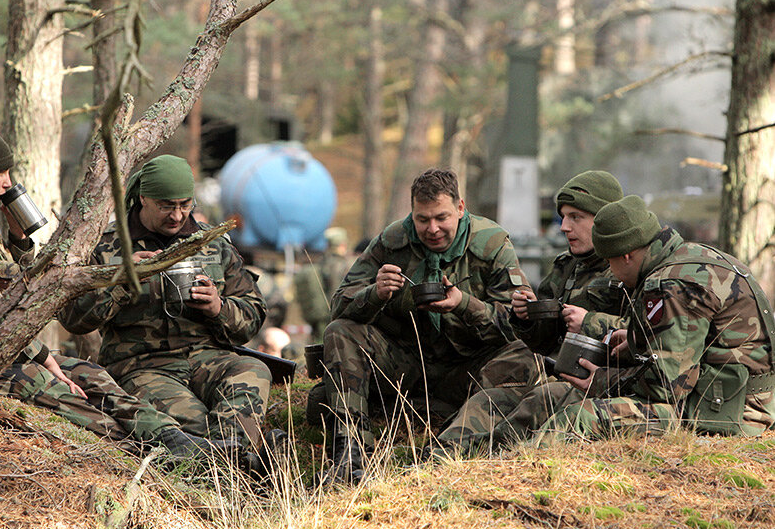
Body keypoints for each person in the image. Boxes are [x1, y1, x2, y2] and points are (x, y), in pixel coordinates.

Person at [0, 125, 225, 459]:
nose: (8, 183)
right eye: (0, 173)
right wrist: (41, 356)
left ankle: (171, 437)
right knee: (59, 391)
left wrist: (18, 240)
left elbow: (11, 283)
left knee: (91, 374)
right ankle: (148, 453)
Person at [434, 195, 775, 455]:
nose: (612, 273)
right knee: (552, 395)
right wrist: (638, 340)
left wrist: (602, 381)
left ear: (627, 254)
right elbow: (691, 344)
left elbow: (666, 389)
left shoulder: (670, 285)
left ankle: (519, 472)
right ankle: (472, 456)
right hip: (719, 395)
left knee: (579, 417)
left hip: (732, 411)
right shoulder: (691, 259)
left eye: (611, 262)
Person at [320, 168, 532, 482]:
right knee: (339, 332)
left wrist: (464, 304)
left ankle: (454, 445)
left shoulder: (491, 244)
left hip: (468, 369)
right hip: (405, 366)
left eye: (442, 218)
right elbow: (339, 306)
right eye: (422, 219)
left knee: (525, 355)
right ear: (412, 213)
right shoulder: (392, 241)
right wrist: (375, 293)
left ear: (461, 208)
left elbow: (516, 325)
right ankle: (350, 453)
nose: (432, 229)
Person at [58, 155, 273, 455]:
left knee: (253, 370)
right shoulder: (106, 246)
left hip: (207, 358)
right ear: (143, 198)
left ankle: (232, 457)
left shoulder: (211, 243)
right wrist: (122, 278)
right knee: (195, 424)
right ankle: (238, 460)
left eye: (185, 205)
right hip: (142, 365)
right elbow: (73, 318)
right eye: (166, 206)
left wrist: (218, 308)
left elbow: (253, 312)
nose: (177, 215)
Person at [509, 170, 626, 357]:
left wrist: (588, 322)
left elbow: (648, 334)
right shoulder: (567, 265)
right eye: (563, 217)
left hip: (605, 377)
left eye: (575, 217)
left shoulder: (629, 265)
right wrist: (528, 316)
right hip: (560, 371)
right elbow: (544, 343)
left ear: (605, 219)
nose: (564, 227)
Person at [294, 227, 354, 341]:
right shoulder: (340, 265)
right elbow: (336, 293)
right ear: (342, 244)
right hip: (333, 318)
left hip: (320, 315)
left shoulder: (323, 262)